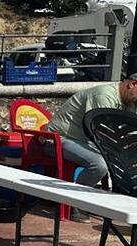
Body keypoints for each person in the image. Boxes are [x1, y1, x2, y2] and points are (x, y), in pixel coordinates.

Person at [46, 75, 137, 220]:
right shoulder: (104, 96)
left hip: (86, 142)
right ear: (132, 84)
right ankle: (74, 203)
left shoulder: (129, 101)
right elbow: (105, 134)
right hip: (59, 139)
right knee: (100, 165)